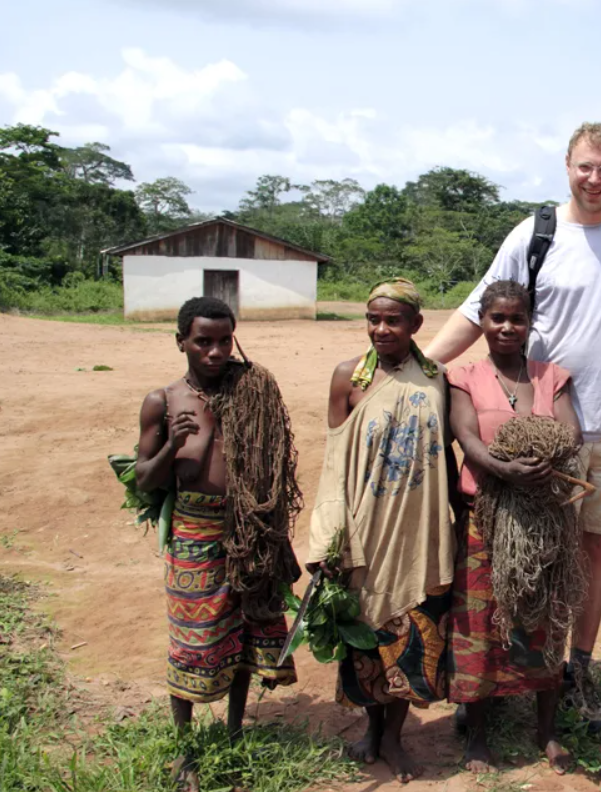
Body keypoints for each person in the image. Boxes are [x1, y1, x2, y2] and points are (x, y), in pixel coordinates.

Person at [425, 122, 601, 728]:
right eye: (584, 167)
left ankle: (577, 666)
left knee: (595, 552)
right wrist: (413, 370)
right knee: (532, 548)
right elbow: (476, 311)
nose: (594, 179)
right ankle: (514, 662)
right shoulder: (535, 234)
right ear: (566, 167)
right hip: (544, 426)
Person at [134, 297, 298, 791]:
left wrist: (277, 536)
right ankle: (184, 748)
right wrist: (171, 445)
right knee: (193, 639)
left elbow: (272, 467)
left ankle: (232, 730)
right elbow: (144, 479)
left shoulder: (253, 388)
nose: (215, 351)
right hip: (195, 533)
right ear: (181, 340)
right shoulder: (163, 401)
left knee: (246, 633)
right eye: (203, 341)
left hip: (250, 531)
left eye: (224, 340)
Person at [306, 279, 455, 783]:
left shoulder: (436, 377)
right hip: (366, 530)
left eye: (393, 320)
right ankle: (373, 729)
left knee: (413, 639)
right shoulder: (348, 377)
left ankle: (393, 736)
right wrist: (329, 532)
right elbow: (334, 461)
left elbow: (449, 460)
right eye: (373, 319)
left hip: (421, 532)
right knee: (366, 639)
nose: (381, 329)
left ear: (416, 324)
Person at [446, 280, 581, 775]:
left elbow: (571, 432)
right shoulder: (464, 377)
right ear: (481, 321)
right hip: (486, 519)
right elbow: (466, 435)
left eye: (517, 318)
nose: (507, 327)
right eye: (497, 317)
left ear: (530, 323)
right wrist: (502, 469)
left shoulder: (552, 376)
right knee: (478, 627)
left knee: (546, 620)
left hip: (545, 520)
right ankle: (477, 736)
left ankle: (546, 731)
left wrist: (547, 453)